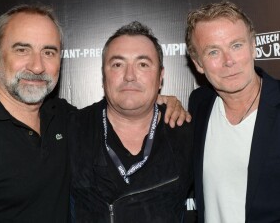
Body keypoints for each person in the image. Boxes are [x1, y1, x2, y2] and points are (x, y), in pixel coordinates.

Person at [0, 4, 189, 222]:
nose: (37, 66)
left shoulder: (66, 119)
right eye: (22, 50)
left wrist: (158, 100)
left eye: (48, 52)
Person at [69, 21, 194, 222]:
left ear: (160, 76)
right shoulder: (71, 129)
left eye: (143, 64)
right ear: (103, 76)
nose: (129, 76)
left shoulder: (186, 134)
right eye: (118, 64)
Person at [185, 0, 280, 223]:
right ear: (198, 63)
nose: (229, 61)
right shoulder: (199, 104)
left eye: (236, 46)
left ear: (253, 47)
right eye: (213, 52)